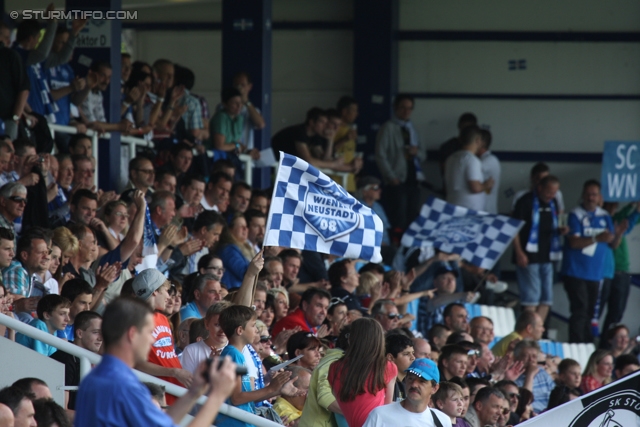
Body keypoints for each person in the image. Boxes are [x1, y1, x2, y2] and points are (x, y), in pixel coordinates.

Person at [73, 297, 238, 427]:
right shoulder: (123, 386)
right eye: (149, 332)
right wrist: (218, 395)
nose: (152, 338)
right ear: (132, 334)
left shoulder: (95, 377)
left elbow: (163, 422)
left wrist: (194, 392)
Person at [216, 304, 299, 427]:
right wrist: (270, 388)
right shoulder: (233, 354)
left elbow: (248, 398)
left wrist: (277, 390)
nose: (256, 330)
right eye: (253, 325)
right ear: (240, 330)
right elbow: (236, 398)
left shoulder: (238, 355)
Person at [561, 180, 616, 343]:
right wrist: (596, 238)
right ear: (583, 195)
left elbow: (612, 243)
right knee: (580, 309)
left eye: (594, 194)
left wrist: (618, 233)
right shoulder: (575, 214)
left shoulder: (605, 216)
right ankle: (577, 345)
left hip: (595, 273)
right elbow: (574, 243)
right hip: (575, 271)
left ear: (600, 197)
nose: (591, 198)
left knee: (591, 313)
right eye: (588, 194)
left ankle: (586, 345)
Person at [131, 269, 193, 405]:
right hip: (157, 398)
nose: (169, 297)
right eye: (166, 291)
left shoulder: (163, 318)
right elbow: (137, 364)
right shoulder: (137, 321)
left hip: (177, 392)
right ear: (154, 291)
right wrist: (174, 372)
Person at [512, 175, 566, 324]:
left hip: (548, 256)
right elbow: (513, 229)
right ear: (540, 188)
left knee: (546, 298)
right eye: (549, 192)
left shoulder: (553, 202)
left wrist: (561, 230)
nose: (551, 196)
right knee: (531, 298)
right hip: (528, 257)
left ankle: (537, 332)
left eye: (554, 192)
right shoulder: (525, 201)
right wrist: (519, 252)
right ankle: (527, 332)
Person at [328, 318, 397, 427]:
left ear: (351, 339)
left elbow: (343, 403)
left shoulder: (334, 368)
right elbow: (387, 406)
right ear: (379, 341)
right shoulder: (387, 366)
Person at [375, 94, 428, 230]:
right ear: (395, 108)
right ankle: (397, 246)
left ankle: (408, 248)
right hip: (397, 179)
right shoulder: (388, 128)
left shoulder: (413, 129)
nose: (406, 112)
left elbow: (423, 155)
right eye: (403, 108)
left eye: (410, 108)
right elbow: (380, 155)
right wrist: (391, 177)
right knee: (399, 217)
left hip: (414, 179)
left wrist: (416, 153)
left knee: (412, 216)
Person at [363, 358, 451, 427]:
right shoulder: (379, 415)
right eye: (410, 378)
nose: (414, 385)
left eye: (422, 381)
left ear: (434, 388)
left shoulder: (442, 421)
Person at [299, 325, 351, 427]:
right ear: (350, 341)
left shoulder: (339, 361)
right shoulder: (333, 362)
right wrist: (355, 414)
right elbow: (324, 397)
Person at [50, 310, 102, 411]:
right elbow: (61, 410)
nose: (100, 338)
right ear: (79, 333)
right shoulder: (65, 359)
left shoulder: (94, 360)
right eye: (96, 332)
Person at [444, 125, 493, 211]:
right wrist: (487, 185)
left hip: (452, 207)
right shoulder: (472, 160)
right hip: (469, 213)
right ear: (478, 141)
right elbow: (475, 187)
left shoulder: (450, 158)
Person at [181, 301, 231, 375]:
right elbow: (188, 385)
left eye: (227, 325)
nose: (222, 330)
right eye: (217, 325)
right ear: (207, 324)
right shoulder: (191, 350)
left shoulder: (241, 349)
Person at [512, 340, 555, 413]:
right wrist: (530, 375)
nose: (531, 360)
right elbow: (523, 404)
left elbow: (555, 397)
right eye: (526, 356)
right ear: (516, 358)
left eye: (534, 356)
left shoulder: (543, 374)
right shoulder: (512, 377)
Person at [476, 129, 501, 214]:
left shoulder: (490, 160)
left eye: (476, 140)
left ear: (482, 142)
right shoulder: (480, 159)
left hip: (487, 211)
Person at [386, 333, 416, 402]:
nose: (413, 358)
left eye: (413, 353)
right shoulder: (384, 383)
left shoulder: (407, 383)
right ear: (390, 357)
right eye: (406, 354)